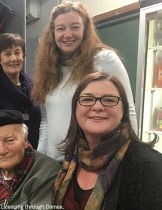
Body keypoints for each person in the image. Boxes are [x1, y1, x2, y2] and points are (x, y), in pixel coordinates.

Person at [31, 1, 137, 162]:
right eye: (60, 28)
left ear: (85, 29)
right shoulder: (49, 68)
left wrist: (132, 156)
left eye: (75, 27)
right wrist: (39, 159)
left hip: (93, 160)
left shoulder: (104, 60)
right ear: (52, 33)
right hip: (55, 163)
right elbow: (46, 121)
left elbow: (128, 110)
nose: (68, 34)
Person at [52, 72, 162, 209]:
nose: (97, 107)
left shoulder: (150, 165)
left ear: (124, 111)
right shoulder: (71, 158)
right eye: (87, 99)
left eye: (109, 100)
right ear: (75, 108)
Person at [0, 33, 41, 155]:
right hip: (5, 155)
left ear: (23, 56)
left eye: (17, 53)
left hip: (36, 154)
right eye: (7, 54)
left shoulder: (35, 85)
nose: (13, 58)